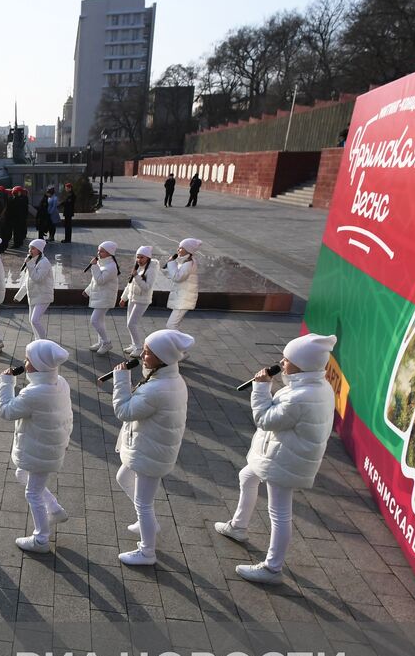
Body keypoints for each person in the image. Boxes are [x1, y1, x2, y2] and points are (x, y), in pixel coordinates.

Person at [215, 333, 338, 584]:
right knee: (247, 476)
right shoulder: (313, 386)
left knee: (280, 512)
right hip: (281, 454)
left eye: (287, 360)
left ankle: (272, 569)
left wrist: (260, 388)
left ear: (302, 365)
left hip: (286, 460)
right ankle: (238, 526)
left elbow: (265, 419)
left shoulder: (300, 396)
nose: (282, 363)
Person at [109, 329, 193, 566]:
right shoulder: (167, 379)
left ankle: (147, 552)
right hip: (150, 446)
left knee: (144, 503)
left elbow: (124, 411)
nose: (142, 356)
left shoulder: (157, 388)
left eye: (148, 353)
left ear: (163, 357)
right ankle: (148, 522)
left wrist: (121, 380)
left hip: (151, 452)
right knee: (123, 477)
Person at [0, 339, 73, 554]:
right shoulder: (60, 383)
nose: (25, 363)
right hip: (51, 446)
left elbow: (6, 411)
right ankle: (55, 509)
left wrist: (6, 383)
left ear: (39, 365)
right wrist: (66, 439)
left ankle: (41, 539)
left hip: (40, 451)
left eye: (28, 360)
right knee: (22, 474)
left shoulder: (34, 393)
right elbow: (69, 415)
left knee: (32, 493)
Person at [83, 240, 120, 355]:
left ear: (110, 253)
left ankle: (106, 342)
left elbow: (100, 280)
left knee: (94, 320)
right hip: (100, 296)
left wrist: (94, 266)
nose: (99, 253)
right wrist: (88, 290)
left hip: (106, 297)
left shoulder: (111, 266)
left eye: (102, 251)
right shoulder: (102, 263)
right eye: (99, 251)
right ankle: (101, 342)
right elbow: (95, 280)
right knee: (100, 320)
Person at [119, 246, 156, 356]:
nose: (139, 260)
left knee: (132, 324)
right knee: (129, 324)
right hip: (132, 298)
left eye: (142, 257)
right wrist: (123, 298)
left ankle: (139, 348)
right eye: (138, 257)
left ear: (148, 258)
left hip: (142, 300)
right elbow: (129, 285)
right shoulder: (138, 268)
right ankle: (134, 345)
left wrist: (136, 277)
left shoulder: (151, 270)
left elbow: (147, 287)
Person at [14, 238, 54, 340]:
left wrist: (30, 265)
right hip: (33, 295)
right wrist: (18, 296)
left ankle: (43, 341)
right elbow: (27, 281)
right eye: (29, 248)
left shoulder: (44, 262)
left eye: (33, 248)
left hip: (43, 295)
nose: (30, 251)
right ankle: (38, 341)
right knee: (31, 320)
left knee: (35, 320)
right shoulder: (32, 262)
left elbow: (37, 278)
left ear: (39, 250)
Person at [165, 238, 201, 330]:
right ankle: (179, 343)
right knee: (174, 326)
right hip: (182, 298)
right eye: (179, 247)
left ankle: (183, 343)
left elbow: (177, 277)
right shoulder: (186, 261)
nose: (178, 250)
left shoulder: (188, 264)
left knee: (171, 325)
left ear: (188, 250)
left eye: (181, 248)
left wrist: (171, 263)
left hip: (184, 299)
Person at [5, 185, 30, 251]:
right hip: (21, 218)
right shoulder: (24, 198)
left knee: (16, 232)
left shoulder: (15, 200)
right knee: (20, 231)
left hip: (16, 219)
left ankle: (17, 244)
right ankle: (19, 242)